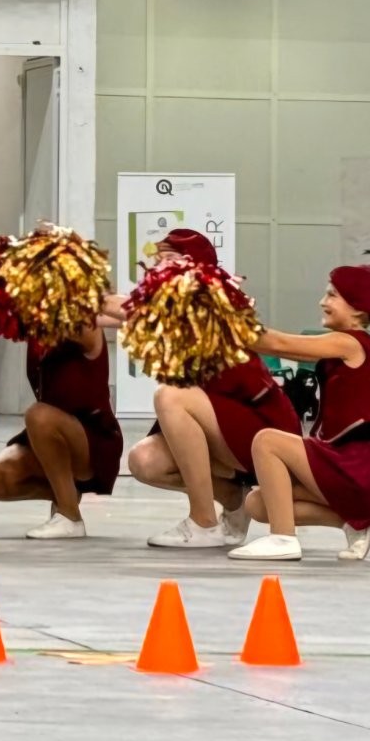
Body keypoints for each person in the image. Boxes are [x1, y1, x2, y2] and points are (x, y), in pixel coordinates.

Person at [121, 229, 302, 550]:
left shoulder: (214, 308)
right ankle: (233, 499)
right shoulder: (171, 312)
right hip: (219, 421)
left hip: (261, 424)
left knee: (170, 395)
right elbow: (126, 309)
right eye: (158, 258)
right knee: (144, 461)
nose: (160, 265)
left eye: (170, 258)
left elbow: (275, 349)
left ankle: (203, 522)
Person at [229, 266, 370, 562]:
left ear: (358, 310)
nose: (322, 301)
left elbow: (277, 344)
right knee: (258, 504)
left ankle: (283, 539)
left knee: (267, 441)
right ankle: (351, 522)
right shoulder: (348, 342)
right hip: (349, 467)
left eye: (332, 295)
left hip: (357, 469)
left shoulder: (351, 341)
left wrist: (230, 315)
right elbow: (271, 344)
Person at [0, 323, 122, 539]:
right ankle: (68, 494)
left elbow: (83, 324)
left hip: (93, 438)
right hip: (49, 434)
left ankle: (69, 515)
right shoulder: (35, 329)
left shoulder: (83, 324)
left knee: (38, 415)